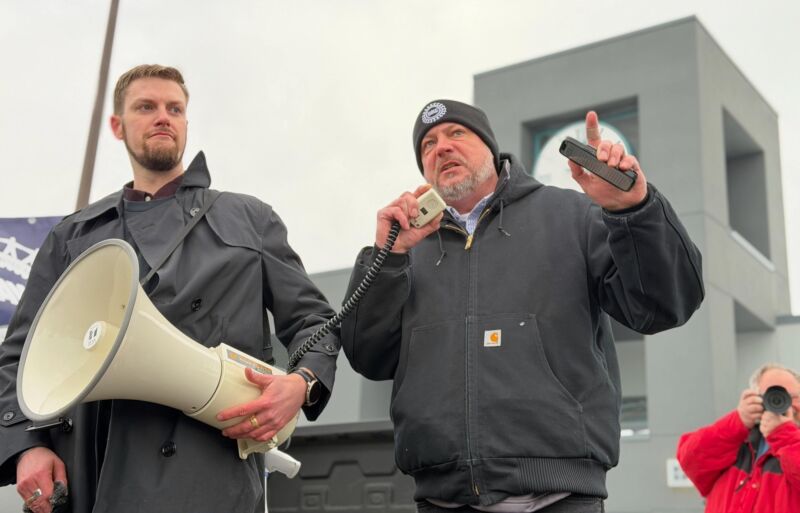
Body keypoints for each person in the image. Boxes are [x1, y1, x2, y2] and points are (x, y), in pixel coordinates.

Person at [0, 64, 340, 513]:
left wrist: (301, 383)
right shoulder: (72, 235)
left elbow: (314, 321)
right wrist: (26, 448)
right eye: (146, 107)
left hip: (208, 477)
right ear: (118, 126)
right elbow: (20, 356)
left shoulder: (250, 219)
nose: (163, 116)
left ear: (185, 122)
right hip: (88, 476)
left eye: (174, 109)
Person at [341, 99, 705, 512]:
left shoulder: (572, 216)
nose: (441, 147)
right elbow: (367, 356)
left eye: (456, 133)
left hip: (561, 496)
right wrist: (386, 257)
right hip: (443, 499)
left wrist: (633, 208)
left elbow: (664, 303)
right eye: (428, 144)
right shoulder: (406, 248)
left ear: (490, 147)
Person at [677, 363, 800, 512]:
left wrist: (784, 435)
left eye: (792, 397)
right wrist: (737, 421)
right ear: (754, 398)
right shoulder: (735, 441)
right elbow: (690, 460)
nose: (782, 402)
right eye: (771, 394)